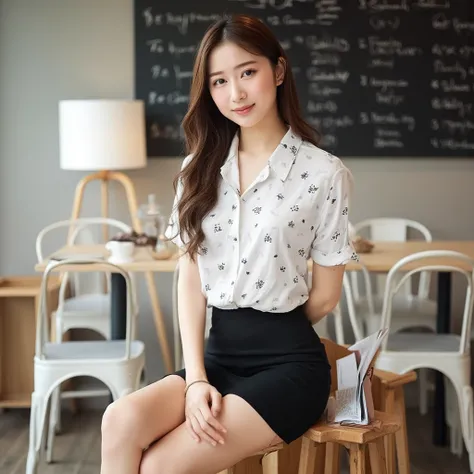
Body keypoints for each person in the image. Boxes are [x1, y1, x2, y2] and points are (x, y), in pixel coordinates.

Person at [100, 13, 357, 474]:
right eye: (219, 81)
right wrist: (195, 377)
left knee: (159, 466)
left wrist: (271, 323)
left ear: (278, 72)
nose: (235, 93)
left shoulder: (323, 174)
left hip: (290, 368)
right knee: (119, 420)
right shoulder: (198, 169)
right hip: (216, 359)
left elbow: (326, 294)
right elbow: (190, 277)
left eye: (247, 72)